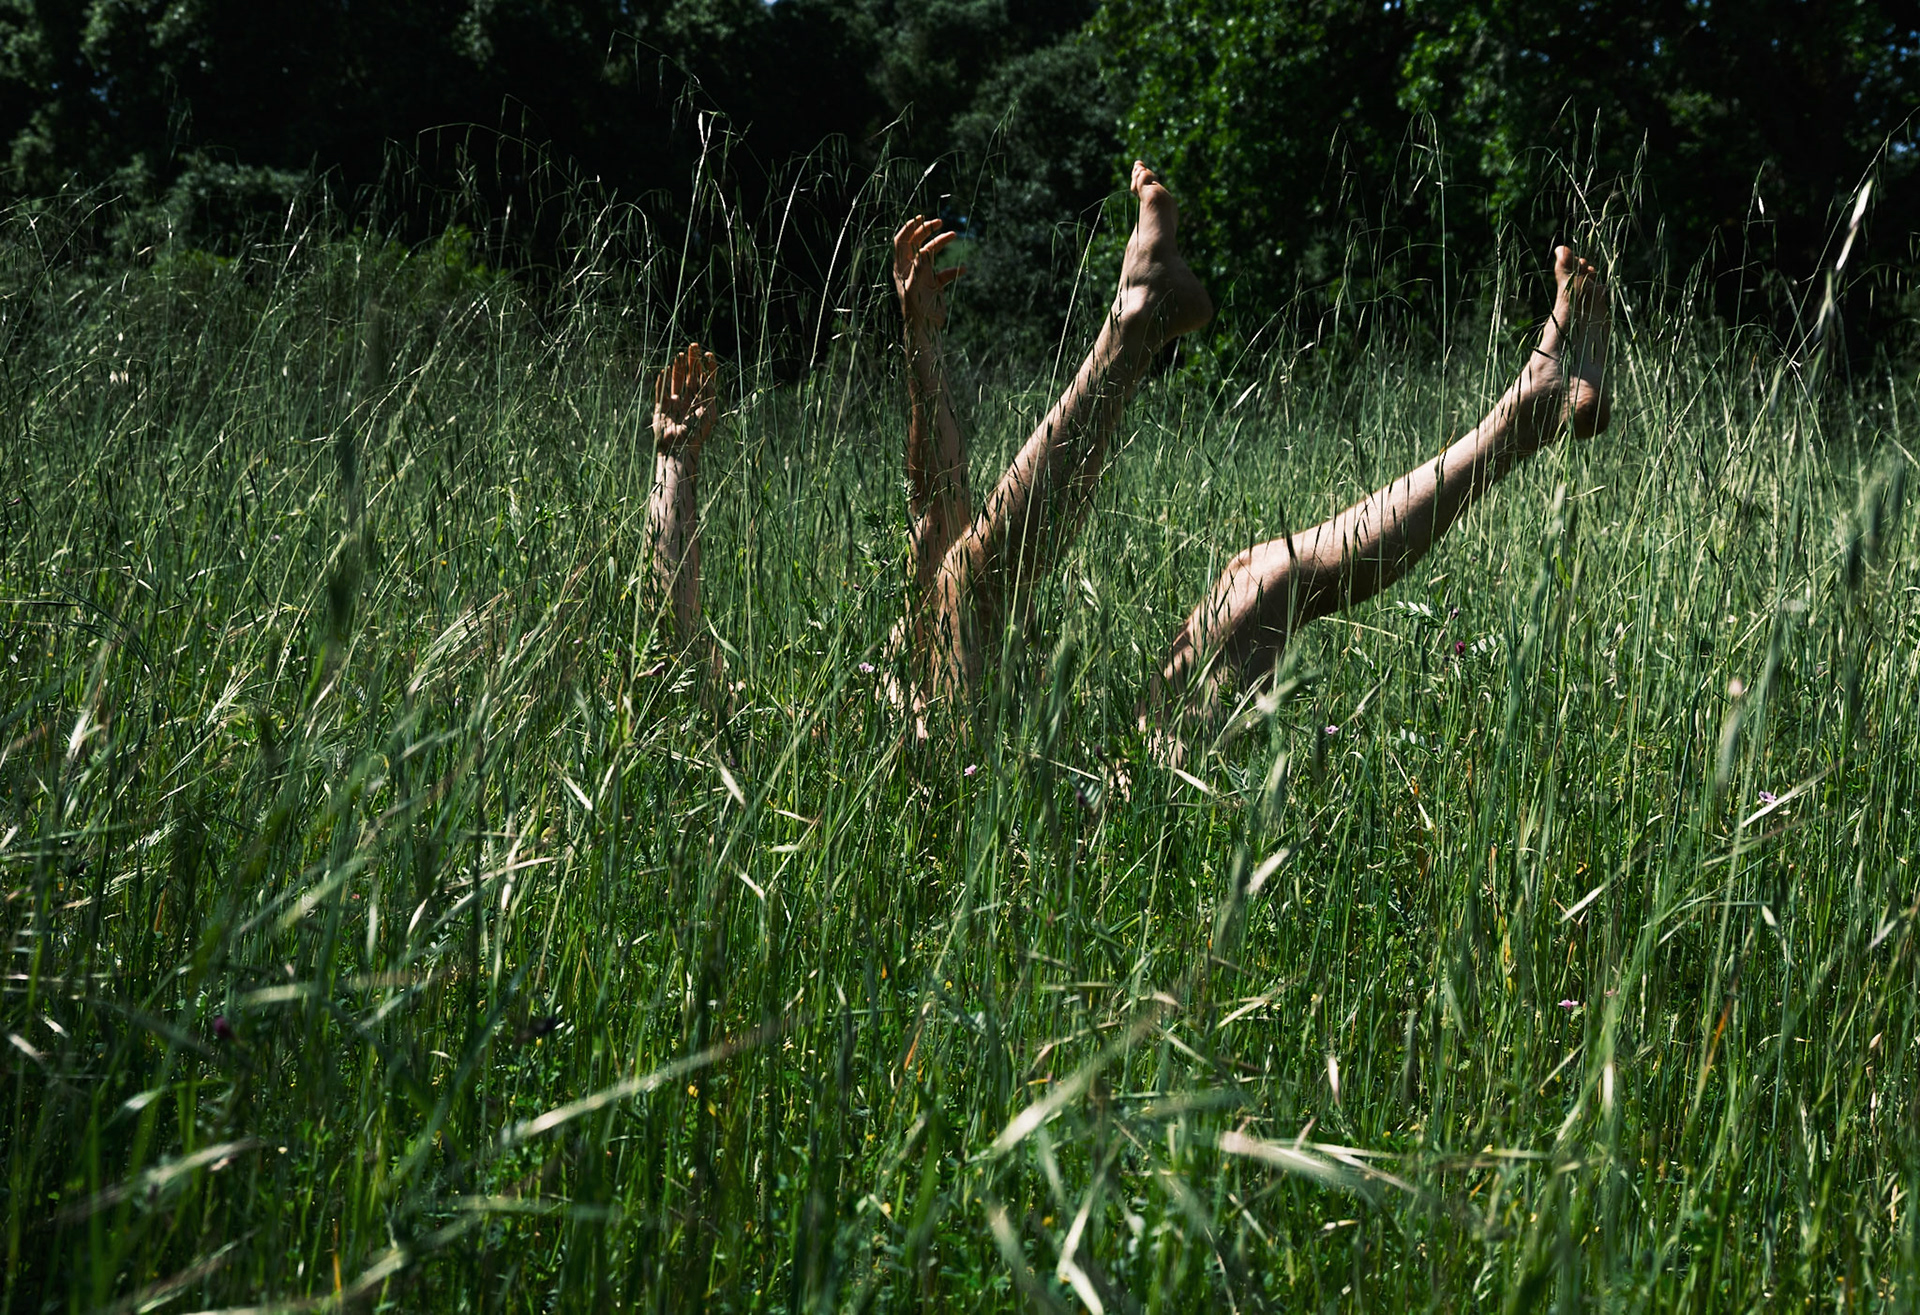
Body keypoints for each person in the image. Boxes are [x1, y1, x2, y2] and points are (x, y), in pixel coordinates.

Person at [645, 160, 1611, 738]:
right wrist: (674, 465)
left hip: (1097, 784)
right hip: (1052, 820)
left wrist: (921, 339)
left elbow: (938, 504)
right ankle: (1133, 322)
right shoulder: (788, 756)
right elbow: (680, 643)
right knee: (954, 583)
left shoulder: (915, 651)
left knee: (1261, 578)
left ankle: (1519, 418)